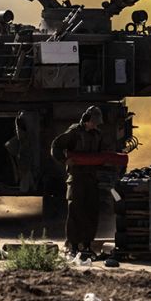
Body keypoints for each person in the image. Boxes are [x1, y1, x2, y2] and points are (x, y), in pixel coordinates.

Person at [51, 105, 107, 258]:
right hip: (76, 178)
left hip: (91, 179)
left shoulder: (98, 135)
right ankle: (73, 245)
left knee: (91, 212)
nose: (95, 125)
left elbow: (101, 155)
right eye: (93, 122)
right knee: (75, 211)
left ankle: (87, 245)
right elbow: (56, 146)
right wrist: (65, 160)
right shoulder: (74, 133)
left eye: (97, 122)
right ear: (86, 120)